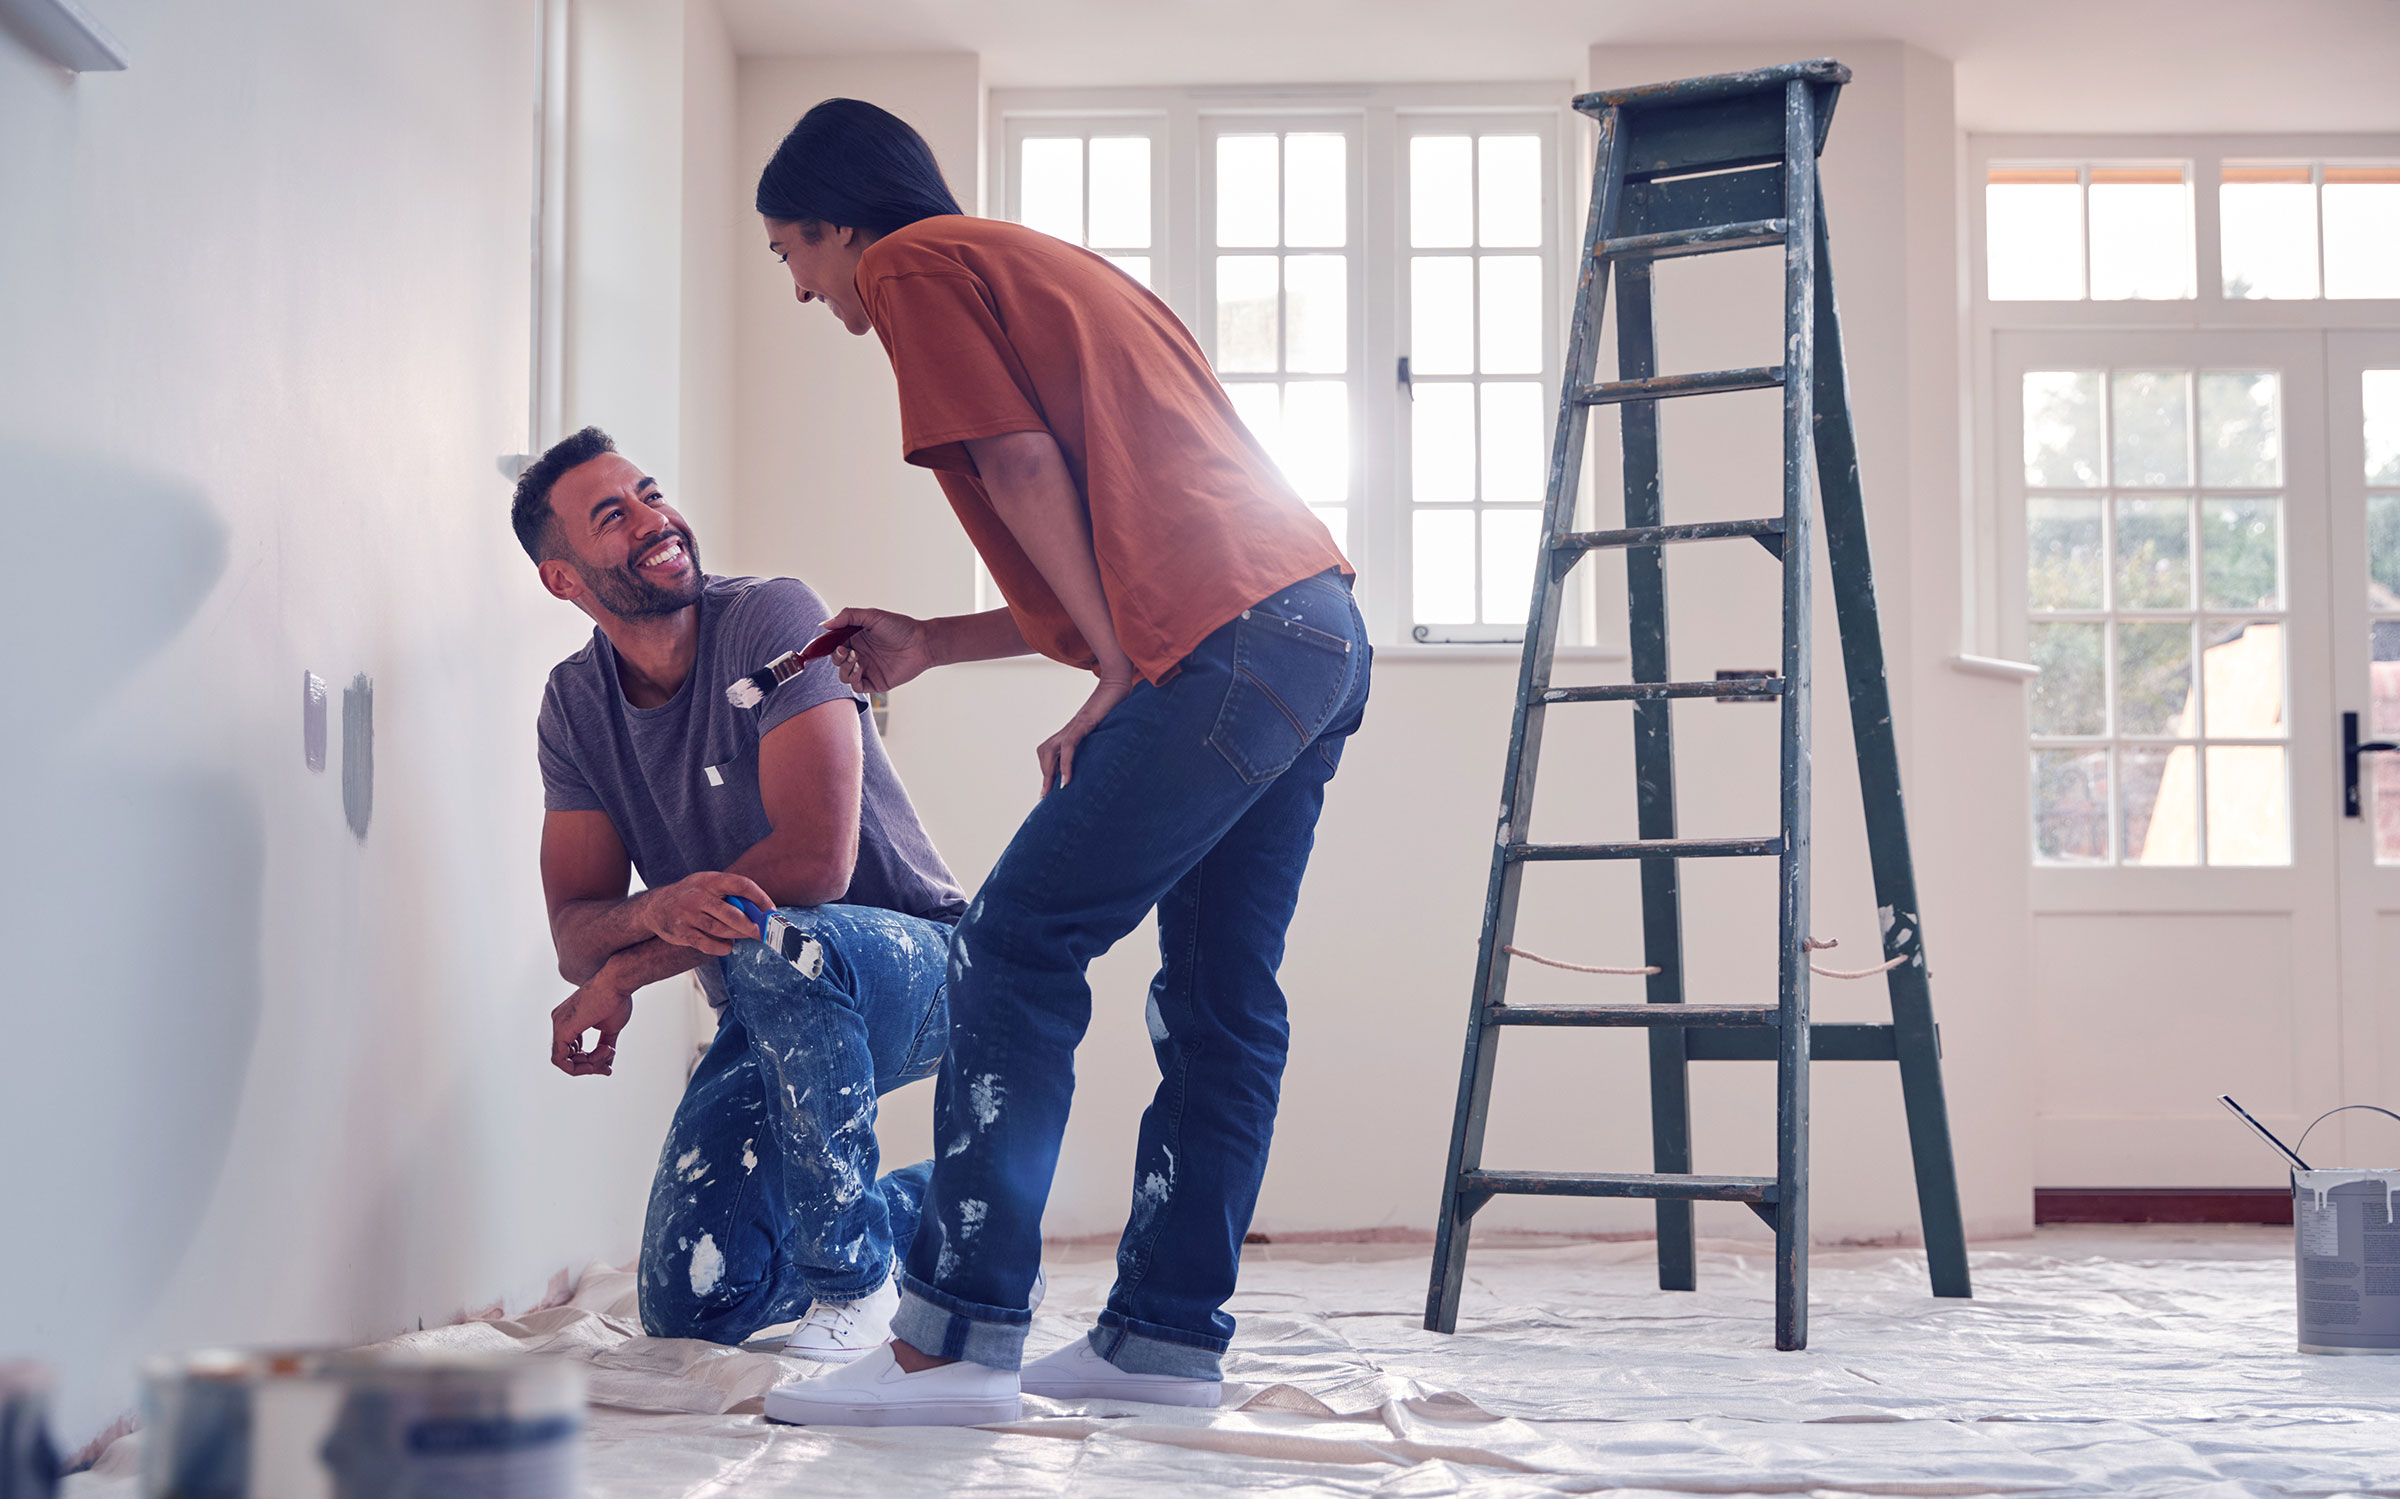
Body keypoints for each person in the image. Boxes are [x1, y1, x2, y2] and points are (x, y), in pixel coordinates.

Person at [751, 100, 1372, 1428]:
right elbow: (1120, 517)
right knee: (1220, 995)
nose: (802, 287)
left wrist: (1115, 665)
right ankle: (1161, 1342)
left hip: (1218, 643)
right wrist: (936, 639)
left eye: (791, 252)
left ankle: (954, 1343)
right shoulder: (1060, 271)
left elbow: (1022, 465)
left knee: (1015, 942)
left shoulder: (915, 263)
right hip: (1310, 630)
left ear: (839, 220)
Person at [517, 426, 967, 1362]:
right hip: (770, 997)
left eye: (649, 492)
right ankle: (957, 1217)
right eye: (613, 516)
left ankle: (856, 1292)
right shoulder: (575, 707)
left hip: (919, 968)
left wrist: (626, 974)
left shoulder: (773, 617)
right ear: (563, 579)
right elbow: (573, 934)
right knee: (695, 1303)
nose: (654, 519)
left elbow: (814, 865)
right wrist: (649, 913)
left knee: (782, 940)